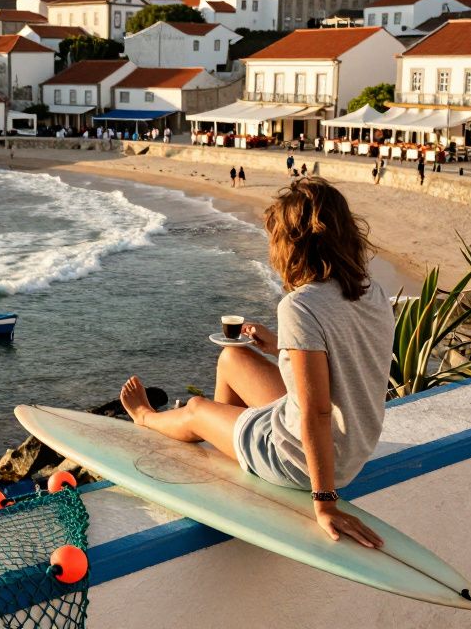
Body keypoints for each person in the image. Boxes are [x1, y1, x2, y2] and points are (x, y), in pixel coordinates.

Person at [119, 177, 391, 547]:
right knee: (233, 357)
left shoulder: (301, 305)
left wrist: (325, 502)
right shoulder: (369, 290)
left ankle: (146, 417)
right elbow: (345, 363)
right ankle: (228, 447)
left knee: (197, 408)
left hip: (299, 461)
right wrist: (279, 346)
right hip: (351, 448)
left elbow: (316, 413)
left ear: (292, 245)